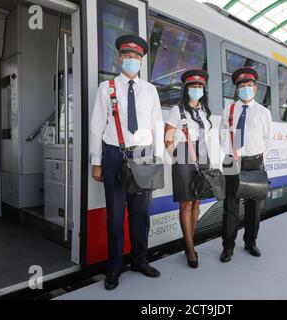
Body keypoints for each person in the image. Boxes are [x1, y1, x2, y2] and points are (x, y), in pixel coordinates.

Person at [89, 35, 165, 290]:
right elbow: (97, 126)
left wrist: (159, 159)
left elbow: (157, 125)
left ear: (142, 61)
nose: (131, 60)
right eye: (127, 56)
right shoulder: (106, 88)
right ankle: (114, 267)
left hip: (143, 156)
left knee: (141, 214)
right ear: (119, 58)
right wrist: (96, 162)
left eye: (136, 57)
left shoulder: (150, 90)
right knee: (115, 216)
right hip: (113, 156)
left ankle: (140, 261)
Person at [219, 67, 273, 263]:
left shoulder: (263, 112)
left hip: (254, 161)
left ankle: (250, 241)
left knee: (254, 205)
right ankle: (228, 246)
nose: (245, 89)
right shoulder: (229, 109)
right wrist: (234, 153)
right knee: (230, 205)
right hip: (232, 160)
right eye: (241, 86)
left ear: (255, 88)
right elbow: (222, 134)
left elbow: (268, 139)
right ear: (236, 90)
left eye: (249, 85)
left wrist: (254, 154)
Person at [164, 69, 212, 268]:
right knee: (185, 204)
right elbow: (167, 138)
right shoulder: (177, 110)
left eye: (199, 87)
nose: (196, 89)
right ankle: (190, 249)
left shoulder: (205, 112)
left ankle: (188, 242)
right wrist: (178, 157)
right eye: (193, 87)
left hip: (203, 157)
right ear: (186, 89)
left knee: (196, 203)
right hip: (183, 157)